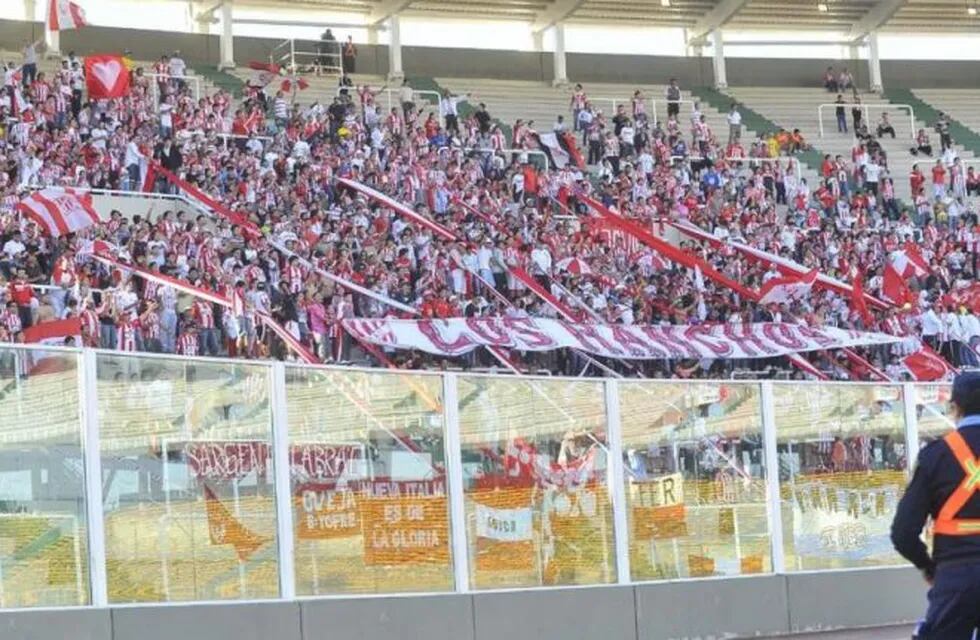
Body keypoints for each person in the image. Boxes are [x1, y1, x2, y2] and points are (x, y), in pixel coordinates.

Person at [892, 371, 980, 639]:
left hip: (957, 576)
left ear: (955, 407)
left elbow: (903, 533)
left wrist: (929, 567)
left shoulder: (936, 456)